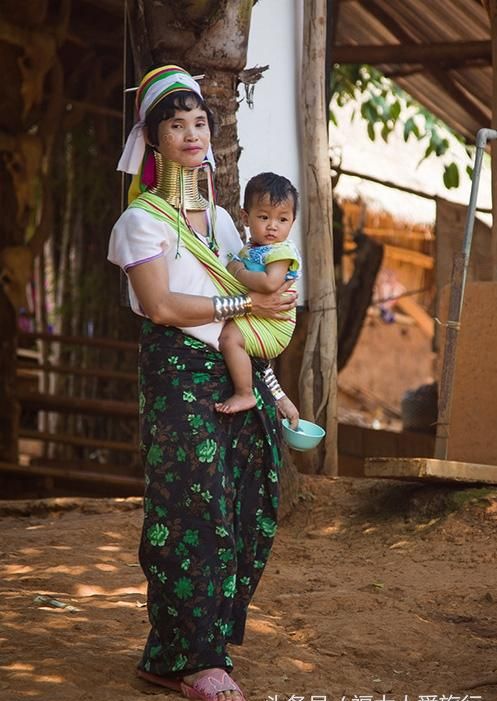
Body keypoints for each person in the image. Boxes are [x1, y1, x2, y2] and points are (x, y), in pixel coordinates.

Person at [108, 64, 299, 701]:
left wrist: (272, 391)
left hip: (228, 369)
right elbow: (162, 307)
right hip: (173, 376)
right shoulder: (142, 221)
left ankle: (178, 653)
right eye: (176, 123)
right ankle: (199, 660)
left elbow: (249, 321)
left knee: (248, 503)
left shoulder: (220, 222)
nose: (191, 133)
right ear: (154, 139)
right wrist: (243, 308)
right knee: (192, 509)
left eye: (199, 122)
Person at [215, 172, 301, 414]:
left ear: (292, 222)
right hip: (261, 314)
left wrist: (237, 270)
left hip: (276, 324)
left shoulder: (280, 252)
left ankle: (245, 393)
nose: (272, 226)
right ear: (245, 217)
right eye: (264, 217)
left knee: (230, 339)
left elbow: (269, 284)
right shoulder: (253, 248)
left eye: (282, 220)